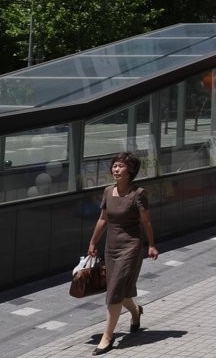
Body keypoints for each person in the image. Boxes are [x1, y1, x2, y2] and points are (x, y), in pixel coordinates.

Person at [86, 152, 159, 355]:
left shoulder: (138, 193)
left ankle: (107, 337)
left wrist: (152, 245)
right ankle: (136, 312)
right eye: (114, 166)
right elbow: (103, 219)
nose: (116, 169)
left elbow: (146, 221)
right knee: (119, 290)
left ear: (131, 170)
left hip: (131, 247)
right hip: (111, 247)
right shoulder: (108, 191)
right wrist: (93, 242)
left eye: (120, 166)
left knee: (115, 289)